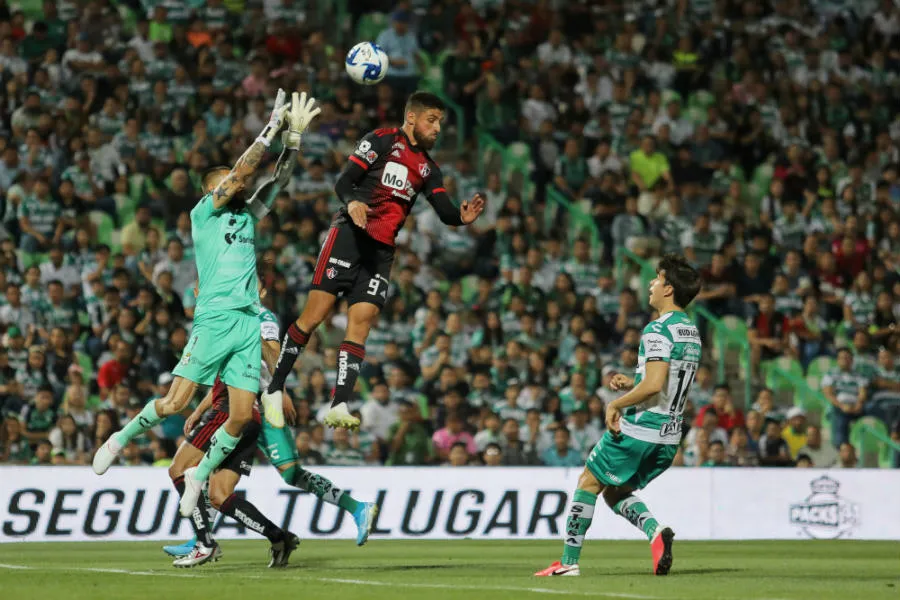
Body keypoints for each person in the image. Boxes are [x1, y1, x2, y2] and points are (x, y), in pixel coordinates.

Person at [92, 92, 320, 520]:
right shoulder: (204, 215)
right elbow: (243, 172)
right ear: (212, 190)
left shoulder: (248, 216)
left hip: (248, 324)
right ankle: (118, 439)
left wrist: (292, 140)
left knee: (238, 416)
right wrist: (270, 128)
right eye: (227, 181)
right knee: (177, 402)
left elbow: (278, 180)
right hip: (215, 319)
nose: (238, 184)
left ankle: (201, 476)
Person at [263, 91, 485, 431]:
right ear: (411, 118)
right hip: (349, 236)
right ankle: (274, 389)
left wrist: (461, 218)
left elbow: (444, 211)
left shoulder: (429, 168)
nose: (438, 128)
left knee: (362, 323)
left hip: (381, 253)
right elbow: (343, 182)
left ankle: (339, 403)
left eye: (441, 121)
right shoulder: (381, 140)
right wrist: (352, 202)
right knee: (314, 317)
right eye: (432, 120)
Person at [162, 283, 377, 566]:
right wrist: (202, 408)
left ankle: (357, 508)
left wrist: (281, 391)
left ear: (261, 292)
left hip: (263, 406)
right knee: (212, 476)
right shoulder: (230, 316)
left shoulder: (263, 318)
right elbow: (221, 375)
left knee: (290, 474)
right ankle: (202, 539)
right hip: (236, 406)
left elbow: (273, 353)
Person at [536, 254, 702, 577]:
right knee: (615, 492)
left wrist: (616, 404)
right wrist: (634, 382)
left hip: (639, 431)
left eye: (657, 279)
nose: (651, 284)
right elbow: (665, 382)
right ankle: (656, 534)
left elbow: (655, 385)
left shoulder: (658, 329)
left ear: (668, 289)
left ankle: (568, 562)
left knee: (589, 480)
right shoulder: (691, 332)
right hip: (668, 438)